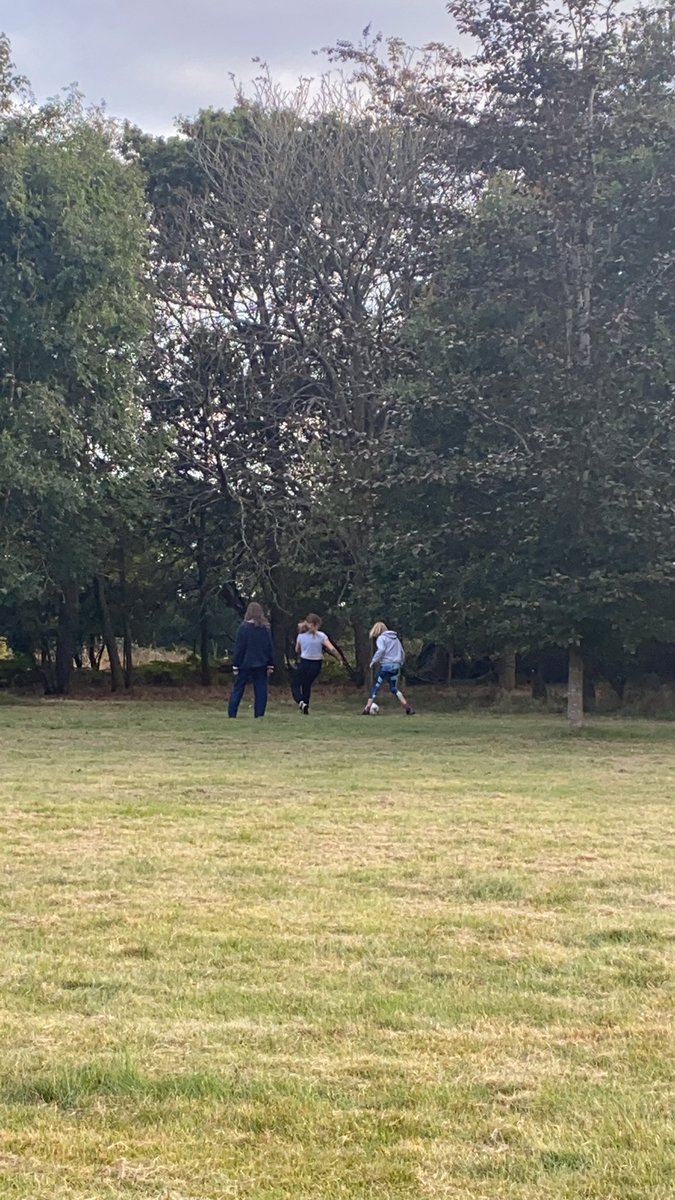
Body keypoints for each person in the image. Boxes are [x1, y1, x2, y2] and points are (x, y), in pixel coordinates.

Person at [228, 602, 275, 719]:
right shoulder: (265, 629)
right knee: (261, 690)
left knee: (238, 688)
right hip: (262, 663)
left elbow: (240, 647)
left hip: (245, 663)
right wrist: (270, 664)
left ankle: (232, 713)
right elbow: (269, 647)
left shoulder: (243, 628)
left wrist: (236, 664)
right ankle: (259, 714)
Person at [292, 613, 341, 714]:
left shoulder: (301, 636)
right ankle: (306, 706)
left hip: (305, 662)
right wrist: (339, 658)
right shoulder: (321, 636)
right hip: (316, 664)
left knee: (295, 684)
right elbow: (331, 648)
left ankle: (301, 702)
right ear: (317, 624)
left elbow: (297, 650)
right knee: (307, 684)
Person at [363, 622, 415, 715]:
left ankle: (367, 708)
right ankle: (408, 707)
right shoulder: (396, 639)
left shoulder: (381, 638)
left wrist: (373, 661)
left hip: (386, 666)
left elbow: (381, 650)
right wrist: (400, 662)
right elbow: (402, 652)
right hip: (396, 666)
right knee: (394, 688)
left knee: (376, 686)